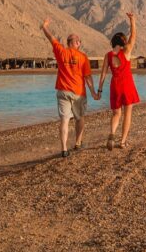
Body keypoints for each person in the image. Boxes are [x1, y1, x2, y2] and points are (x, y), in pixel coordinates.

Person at [41, 18, 99, 158]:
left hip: (63, 91)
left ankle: (64, 149)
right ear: (76, 43)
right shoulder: (83, 57)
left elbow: (51, 38)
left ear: (68, 43)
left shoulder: (61, 51)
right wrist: (93, 93)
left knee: (65, 120)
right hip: (79, 92)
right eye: (79, 41)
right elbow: (88, 78)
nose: (80, 43)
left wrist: (44, 27)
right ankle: (78, 143)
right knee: (80, 118)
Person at [97, 12, 140, 149]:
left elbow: (103, 73)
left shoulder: (108, 55)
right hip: (127, 85)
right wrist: (132, 20)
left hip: (114, 85)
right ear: (123, 41)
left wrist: (99, 90)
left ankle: (112, 134)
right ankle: (122, 142)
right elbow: (133, 36)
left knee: (116, 113)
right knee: (127, 113)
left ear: (112, 42)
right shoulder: (126, 51)